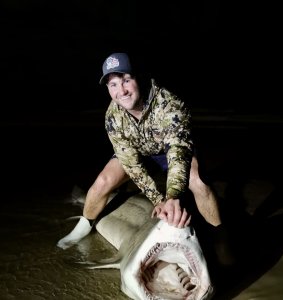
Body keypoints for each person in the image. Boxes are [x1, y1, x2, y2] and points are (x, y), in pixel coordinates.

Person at [57, 52, 234, 265]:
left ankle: (221, 240)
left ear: (137, 78)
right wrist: (158, 200)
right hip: (139, 153)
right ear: (107, 89)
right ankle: (83, 226)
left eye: (126, 80)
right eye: (112, 85)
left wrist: (172, 197)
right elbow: (131, 163)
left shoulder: (169, 103)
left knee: (198, 182)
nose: (121, 91)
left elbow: (178, 152)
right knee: (102, 182)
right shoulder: (113, 116)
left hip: (171, 151)